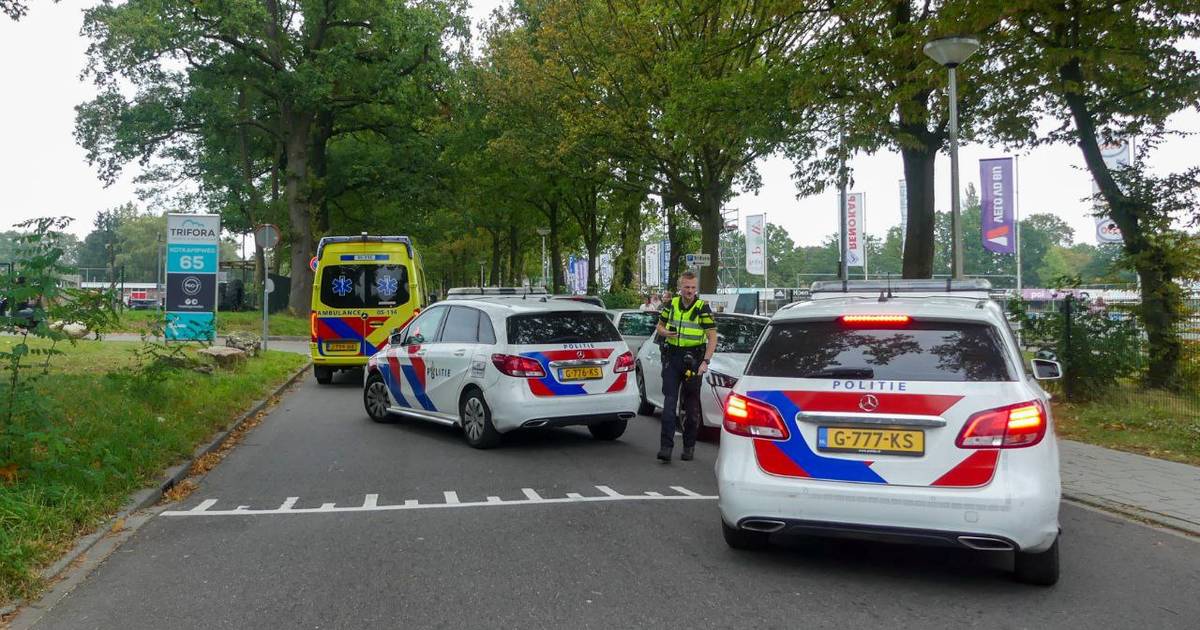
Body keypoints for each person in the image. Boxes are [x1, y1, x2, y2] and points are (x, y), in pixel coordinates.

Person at [655, 271, 717, 463]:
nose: (690, 291)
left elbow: (712, 337)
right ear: (680, 288)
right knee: (669, 404)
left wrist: (705, 362)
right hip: (673, 357)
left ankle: (689, 447)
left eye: (693, 288)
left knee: (691, 407)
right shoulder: (671, 304)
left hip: (694, 359)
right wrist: (666, 333)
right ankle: (666, 448)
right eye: (686, 287)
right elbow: (659, 326)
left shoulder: (702, 308)